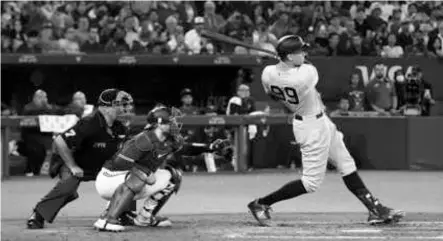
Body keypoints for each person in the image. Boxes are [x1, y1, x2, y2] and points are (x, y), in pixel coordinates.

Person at [248, 35, 405, 227]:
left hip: (320, 121)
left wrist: (284, 64)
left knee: (346, 164)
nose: (304, 53)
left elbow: (273, 92)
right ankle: (261, 204)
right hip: (310, 128)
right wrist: (287, 64)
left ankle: (375, 209)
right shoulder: (306, 74)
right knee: (310, 183)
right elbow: (307, 66)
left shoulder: (267, 73)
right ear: (289, 56)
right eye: (300, 51)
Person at [93, 105, 228, 232]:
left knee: (173, 176)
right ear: (158, 123)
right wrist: (142, 172)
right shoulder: (143, 139)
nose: (174, 124)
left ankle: (144, 218)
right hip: (109, 179)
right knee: (140, 176)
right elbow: (119, 162)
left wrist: (210, 148)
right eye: (170, 121)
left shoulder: (170, 139)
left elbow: (186, 148)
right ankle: (107, 220)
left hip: (127, 181)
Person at [26, 89, 134, 229]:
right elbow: (59, 141)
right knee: (68, 188)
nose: (126, 109)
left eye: (126, 105)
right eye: (122, 105)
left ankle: (122, 212)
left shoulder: (121, 127)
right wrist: (72, 166)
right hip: (76, 163)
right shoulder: (89, 123)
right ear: (106, 108)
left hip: (101, 166)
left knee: (131, 177)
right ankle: (38, 214)